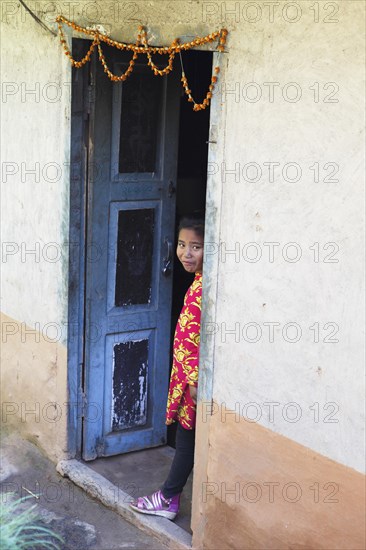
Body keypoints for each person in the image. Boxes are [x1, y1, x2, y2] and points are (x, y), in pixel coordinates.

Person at [130, 214, 204, 520]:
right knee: (187, 437)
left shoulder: (205, 288)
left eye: (196, 247)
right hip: (188, 377)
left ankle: (168, 498)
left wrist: (196, 381)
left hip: (193, 379)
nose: (186, 253)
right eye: (183, 244)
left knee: (187, 439)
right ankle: (170, 497)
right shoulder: (199, 283)